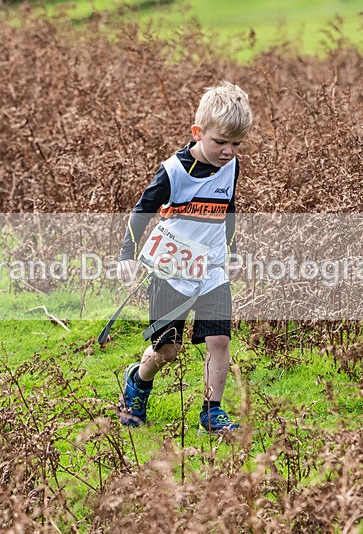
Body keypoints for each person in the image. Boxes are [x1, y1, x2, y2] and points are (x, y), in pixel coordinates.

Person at [116, 81, 253, 433]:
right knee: (167, 350)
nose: (228, 152)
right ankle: (138, 380)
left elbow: (229, 211)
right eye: (220, 142)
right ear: (198, 132)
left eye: (236, 144)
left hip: (212, 269)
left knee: (220, 340)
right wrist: (127, 254)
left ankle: (212, 411)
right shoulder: (173, 171)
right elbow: (142, 210)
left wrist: (232, 253)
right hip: (171, 270)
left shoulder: (231, 167)